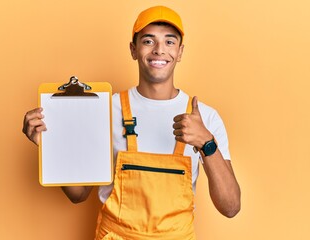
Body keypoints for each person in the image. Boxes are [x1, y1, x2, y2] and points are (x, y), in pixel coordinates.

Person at [23, 5, 241, 239]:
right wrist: (50, 146)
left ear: (180, 52)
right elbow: (78, 194)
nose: (159, 50)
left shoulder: (206, 118)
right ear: (133, 49)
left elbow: (230, 207)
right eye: (148, 41)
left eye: (169, 42)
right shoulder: (105, 110)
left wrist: (207, 142)